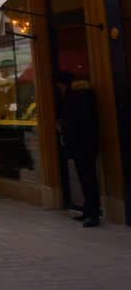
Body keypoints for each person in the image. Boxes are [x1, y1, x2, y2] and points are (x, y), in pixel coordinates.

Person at [56, 70, 101, 227]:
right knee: (84, 178)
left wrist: (65, 129)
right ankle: (88, 210)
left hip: (83, 145)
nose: (59, 88)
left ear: (64, 84)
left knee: (88, 179)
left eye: (59, 85)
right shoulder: (77, 96)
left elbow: (82, 122)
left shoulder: (79, 97)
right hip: (80, 145)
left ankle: (93, 214)